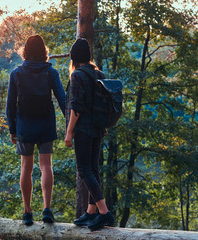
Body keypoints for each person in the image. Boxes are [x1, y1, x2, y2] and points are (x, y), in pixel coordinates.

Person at [6, 34, 65, 226]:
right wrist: (72, 123)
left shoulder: (16, 73)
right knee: (46, 165)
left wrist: (12, 129)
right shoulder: (51, 72)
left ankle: (27, 212)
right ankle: (47, 209)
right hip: (45, 123)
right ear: (44, 52)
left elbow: (10, 106)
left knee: (26, 167)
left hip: (24, 124)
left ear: (25, 52)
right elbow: (63, 100)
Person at [64, 38, 114, 231]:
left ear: (74, 57)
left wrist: (69, 133)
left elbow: (76, 107)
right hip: (97, 129)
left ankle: (104, 212)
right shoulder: (97, 73)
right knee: (93, 169)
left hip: (84, 129)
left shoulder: (77, 75)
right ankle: (91, 211)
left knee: (84, 170)